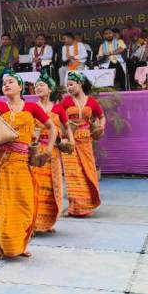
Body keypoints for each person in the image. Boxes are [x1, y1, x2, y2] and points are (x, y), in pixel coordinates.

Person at [0, 72, 57, 259]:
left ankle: (21, 244)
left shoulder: (32, 108)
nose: (6, 84)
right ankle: (1, 245)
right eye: (3, 83)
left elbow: (52, 127)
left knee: (25, 204)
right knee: (4, 205)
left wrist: (49, 150)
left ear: (21, 87)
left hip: (24, 162)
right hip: (3, 162)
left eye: (11, 81)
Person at [60, 72, 104, 217]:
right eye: (67, 85)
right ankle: (75, 207)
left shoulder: (91, 101)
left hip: (85, 139)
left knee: (87, 170)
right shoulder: (66, 101)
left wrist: (100, 127)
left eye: (71, 84)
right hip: (70, 139)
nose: (69, 88)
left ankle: (87, 204)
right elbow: (57, 117)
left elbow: (101, 116)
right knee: (72, 173)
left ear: (80, 84)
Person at [31, 73, 68, 233]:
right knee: (35, 186)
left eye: (42, 85)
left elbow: (67, 130)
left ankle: (48, 220)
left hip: (52, 152)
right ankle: (34, 222)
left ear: (50, 89)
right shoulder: (31, 108)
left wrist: (64, 139)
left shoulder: (58, 108)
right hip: (36, 152)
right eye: (36, 85)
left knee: (52, 186)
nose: (38, 87)